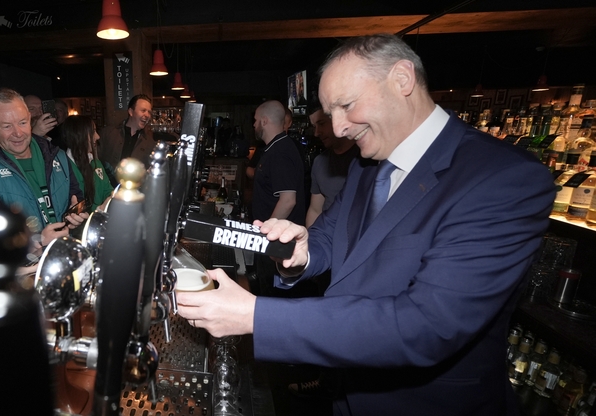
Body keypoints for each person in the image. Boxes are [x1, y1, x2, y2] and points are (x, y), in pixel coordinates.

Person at [177, 34, 555, 416]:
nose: (338, 128)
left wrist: (254, 315)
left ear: (402, 79)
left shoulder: (502, 178)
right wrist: (302, 251)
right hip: (346, 392)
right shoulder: (367, 164)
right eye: (329, 113)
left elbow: (426, 326)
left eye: (346, 105)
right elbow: (329, 233)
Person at [0, 88, 86, 236]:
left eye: (22, 122)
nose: (18, 133)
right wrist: (37, 241)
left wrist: (77, 215)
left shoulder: (57, 155)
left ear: (29, 118)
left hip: (65, 250)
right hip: (27, 258)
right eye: (7, 126)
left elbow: (77, 198)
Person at [249, 100, 305, 297]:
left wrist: (266, 236)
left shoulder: (281, 151)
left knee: (273, 298)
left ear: (264, 121)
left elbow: (288, 200)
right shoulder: (274, 148)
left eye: (255, 120)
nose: (254, 125)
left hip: (277, 244)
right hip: (273, 241)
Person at [304, 108, 359, 228]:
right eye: (314, 127)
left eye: (322, 124)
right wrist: (309, 243)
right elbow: (315, 210)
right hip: (327, 240)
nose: (317, 133)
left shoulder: (365, 157)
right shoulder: (319, 162)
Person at [63, 115, 115, 212]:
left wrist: (113, 197)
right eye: (93, 132)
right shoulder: (64, 168)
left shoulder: (96, 163)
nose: (98, 137)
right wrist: (99, 209)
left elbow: (107, 190)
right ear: (79, 135)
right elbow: (75, 205)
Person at [98, 94, 156, 168]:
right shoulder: (108, 134)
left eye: (149, 112)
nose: (147, 115)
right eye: (143, 110)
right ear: (131, 112)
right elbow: (95, 161)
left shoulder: (149, 143)